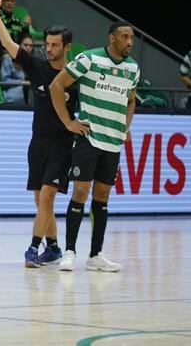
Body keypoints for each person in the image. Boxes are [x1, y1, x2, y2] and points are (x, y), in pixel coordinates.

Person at [0, 0, 78, 267]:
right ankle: (53, 247)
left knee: (49, 197)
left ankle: (33, 248)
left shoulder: (76, 75)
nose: (49, 49)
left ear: (67, 48)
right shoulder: (37, 67)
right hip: (37, 143)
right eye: (47, 44)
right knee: (42, 202)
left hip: (63, 144)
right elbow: (7, 42)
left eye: (55, 45)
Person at [50, 21, 140, 272]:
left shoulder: (133, 68)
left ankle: (95, 255)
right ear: (112, 38)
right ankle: (69, 252)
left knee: (102, 198)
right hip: (89, 139)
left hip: (113, 142)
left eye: (132, 38)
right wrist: (68, 122)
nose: (130, 42)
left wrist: (125, 126)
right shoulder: (89, 59)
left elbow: (131, 100)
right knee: (80, 193)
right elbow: (57, 85)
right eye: (125, 37)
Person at [0, 35, 34, 103]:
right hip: (12, 94)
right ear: (19, 45)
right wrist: (22, 83)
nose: (28, 48)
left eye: (31, 46)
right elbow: (4, 82)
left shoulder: (33, 62)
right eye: (25, 45)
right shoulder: (8, 60)